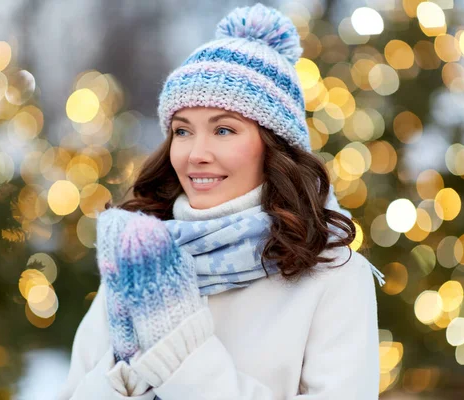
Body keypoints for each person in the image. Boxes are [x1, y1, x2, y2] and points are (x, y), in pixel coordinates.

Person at [58, 3, 385, 399]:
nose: (196, 153)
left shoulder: (332, 273)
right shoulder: (143, 259)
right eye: (182, 131)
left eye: (224, 130)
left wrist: (180, 355)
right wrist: (129, 376)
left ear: (273, 145)